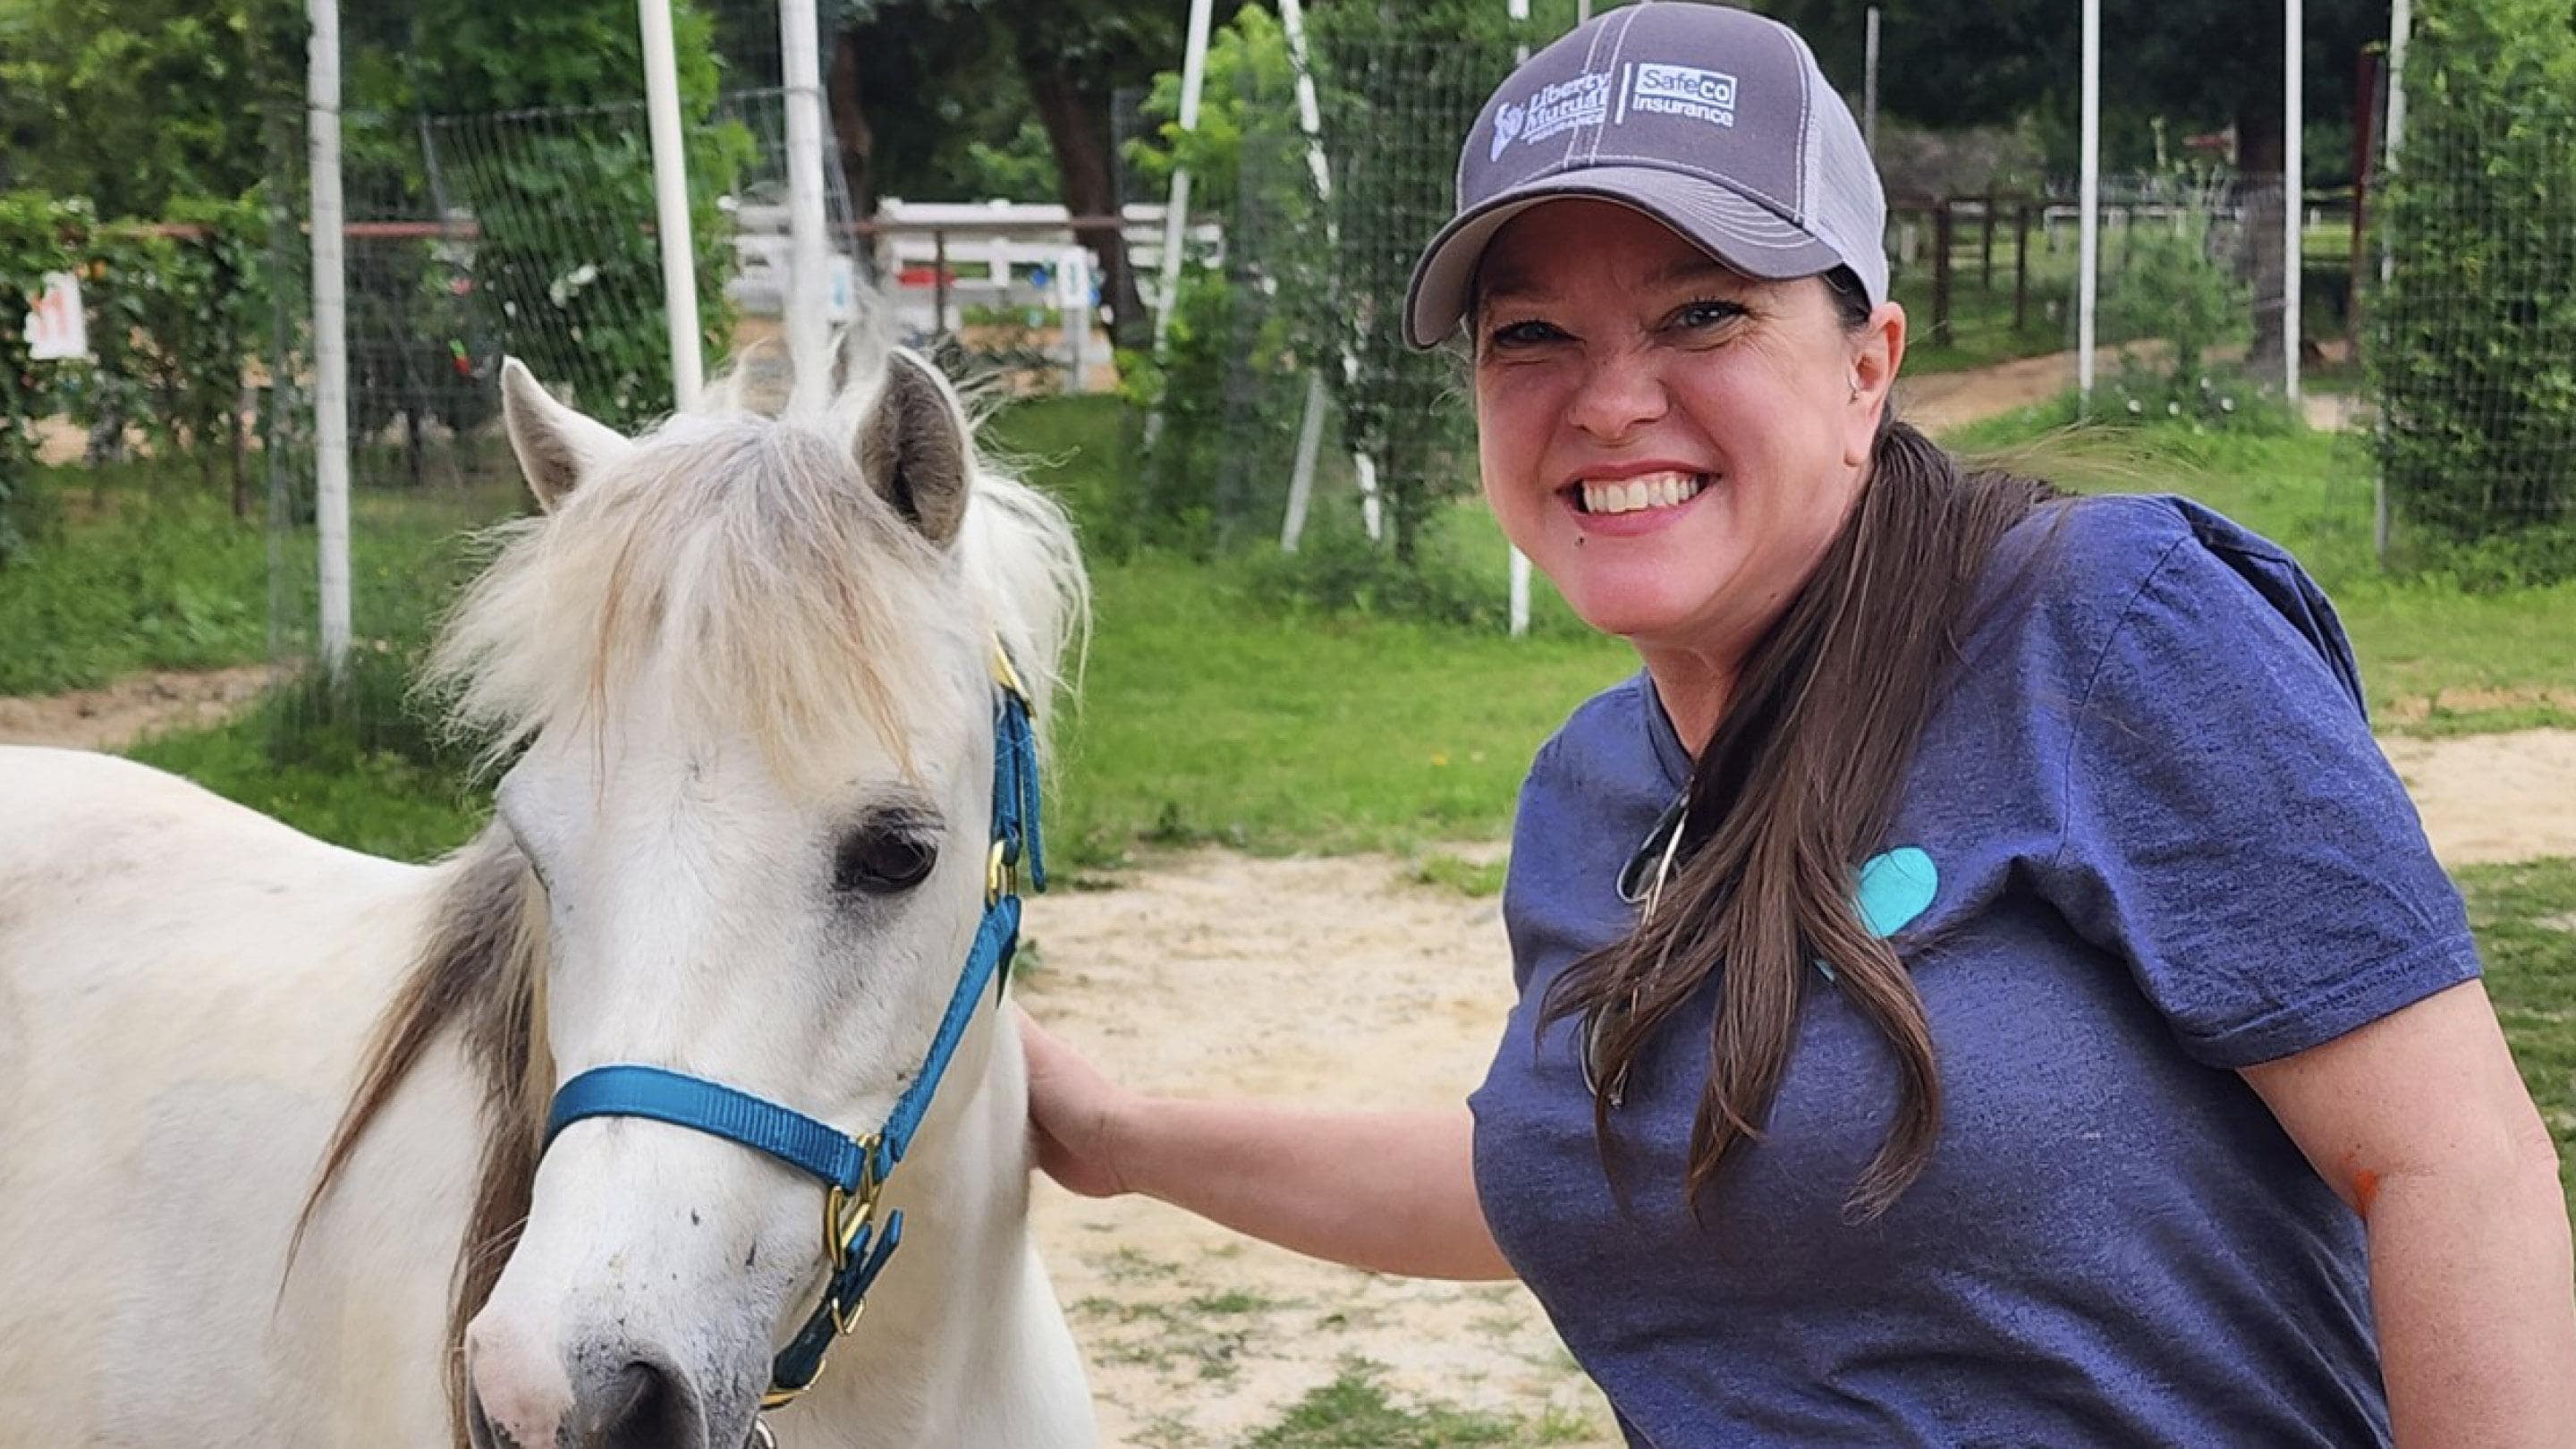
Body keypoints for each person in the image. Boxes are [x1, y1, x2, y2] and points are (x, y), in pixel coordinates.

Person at [1019, 7, 2576, 1445]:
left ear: (1866, 369)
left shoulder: (2101, 628)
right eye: (1530, 336)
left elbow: (2452, 1167)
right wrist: (1119, 1135)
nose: (1610, 402)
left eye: (1702, 312)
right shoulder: (1589, 796)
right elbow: (1583, 1182)